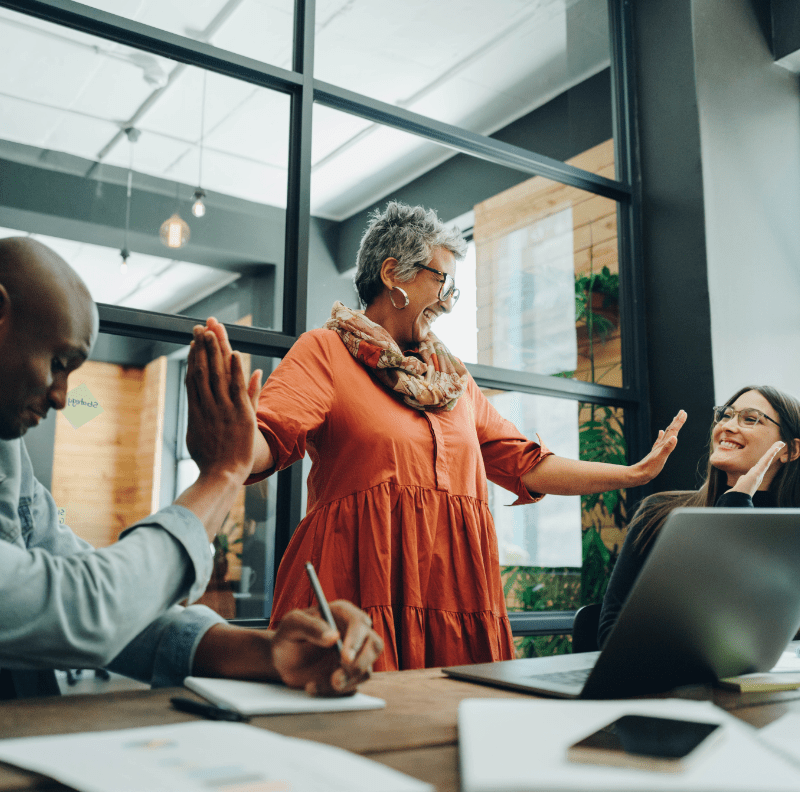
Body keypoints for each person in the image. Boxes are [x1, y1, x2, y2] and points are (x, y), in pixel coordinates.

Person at [202, 201, 685, 671]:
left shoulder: (452, 380)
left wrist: (633, 472)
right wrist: (233, 443)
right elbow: (267, 440)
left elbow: (527, 464)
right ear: (393, 274)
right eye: (443, 281)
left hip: (456, 593)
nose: (449, 303)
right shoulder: (325, 351)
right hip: (361, 588)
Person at [0, 236, 382, 699]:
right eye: (58, 362)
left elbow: (118, 610)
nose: (61, 396)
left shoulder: (9, 456)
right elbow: (83, 610)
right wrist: (221, 475)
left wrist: (268, 653)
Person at [598, 385, 800, 648]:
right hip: (669, 684)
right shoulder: (659, 513)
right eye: (726, 415)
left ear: (790, 450)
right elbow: (612, 637)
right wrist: (736, 503)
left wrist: (737, 503)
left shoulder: (792, 533)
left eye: (750, 419)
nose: (727, 426)